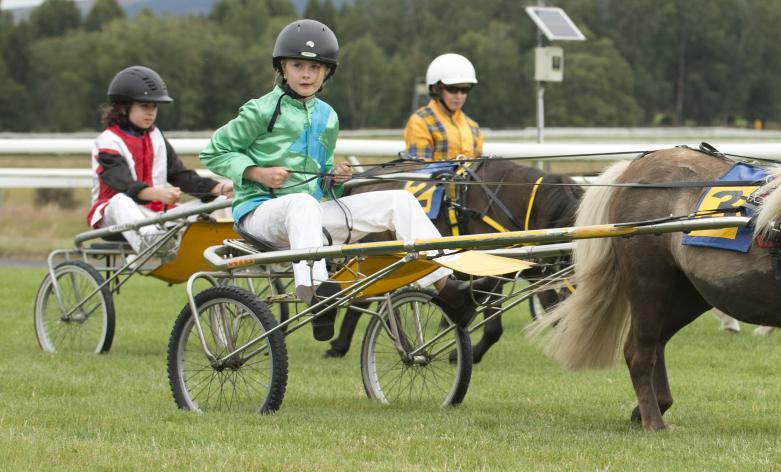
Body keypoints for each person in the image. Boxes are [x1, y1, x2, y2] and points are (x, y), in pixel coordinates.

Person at [199, 19, 484, 341]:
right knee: (302, 203)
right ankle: (318, 295)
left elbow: (321, 186)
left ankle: (449, 287)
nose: (307, 74)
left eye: (315, 68)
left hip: (310, 219)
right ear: (283, 68)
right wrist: (255, 172)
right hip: (258, 215)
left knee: (399, 200)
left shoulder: (328, 117)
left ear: (327, 73)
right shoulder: (260, 111)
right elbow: (214, 152)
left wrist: (334, 178)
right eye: (298, 66)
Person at [88, 65, 231, 255]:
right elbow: (122, 184)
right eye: (145, 106)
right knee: (119, 200)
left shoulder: (156, 136)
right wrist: (157, 193)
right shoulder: (108, 141)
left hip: (157, 217)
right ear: (123, 107)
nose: (151, 112)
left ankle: (230, 248)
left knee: (220, 202)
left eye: (154, 106)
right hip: (116, 217)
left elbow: (180, 176)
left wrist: (219, 188)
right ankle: (151, 244)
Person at [403, 53, 483, 161]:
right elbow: (419, 169)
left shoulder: (473, 127)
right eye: (452, 89)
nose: (459, 96)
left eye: (465, 89)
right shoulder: (420, 122)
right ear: (436, 89)